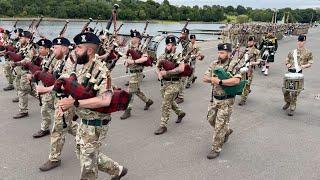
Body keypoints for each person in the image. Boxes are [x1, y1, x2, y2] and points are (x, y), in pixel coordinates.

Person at [58, 32, 127, 179]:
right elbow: (77, 92)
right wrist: (65, 105)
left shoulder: (102, 71)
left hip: (95, 124)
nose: (75, 50)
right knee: (83, 154)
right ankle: (117, 170)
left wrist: (75, 103)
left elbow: (105, 100)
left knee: (87, 166)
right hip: (84, 121)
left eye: (79, 47)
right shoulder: (80, 68)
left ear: (89, 51)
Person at [202, 43, 242, 159]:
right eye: (219, 52)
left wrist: (220, 81)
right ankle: (227, 130)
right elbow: (205, 78)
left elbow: (236, 81)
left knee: (219, 125)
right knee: (210, 119)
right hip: (214, 99)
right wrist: (212, 79)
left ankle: (216, 148)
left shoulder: (234, 64)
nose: (220, 54)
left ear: (229, 53)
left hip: (226, 100)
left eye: (222, 53)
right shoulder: (214, 64)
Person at [154, 35, 186, 135]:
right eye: (167, 44)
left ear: (173, 46)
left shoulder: (179, 55)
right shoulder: (163, 55)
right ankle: (180, 113)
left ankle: (163, 125)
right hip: (165, 83)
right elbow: (157, 66)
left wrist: (167, 73)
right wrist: (159, 73)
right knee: (168, 100)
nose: (167, 46)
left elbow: (181, 69)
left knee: (165, 103)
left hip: (175, 82)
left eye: (169, 45)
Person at [120, 29, 153, 119]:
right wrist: (126, 62)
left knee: (130, 91)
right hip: (131, 72)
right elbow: (126, 56)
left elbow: (145, 59)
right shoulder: (129, 46)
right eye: (132, 37)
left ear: (138, 39)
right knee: (136, 90)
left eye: (134, 37)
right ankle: (148, 101)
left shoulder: (142, 47)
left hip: (138, 72)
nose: (132, 38)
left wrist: (133, 61)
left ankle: (128, 110)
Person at [282, 34, 313, 116]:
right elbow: (287, 59)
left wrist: (305, 66)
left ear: (304, 42)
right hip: (290, 73)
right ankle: (288, 102)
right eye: (299, 41)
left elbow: (310, 62)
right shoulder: (292, 51)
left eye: (301, 41)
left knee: (295, 92)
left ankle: (292, 107)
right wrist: (287, 64)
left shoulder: (308, 52)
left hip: (298, 74)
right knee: (285, 90)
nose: (300, 43)